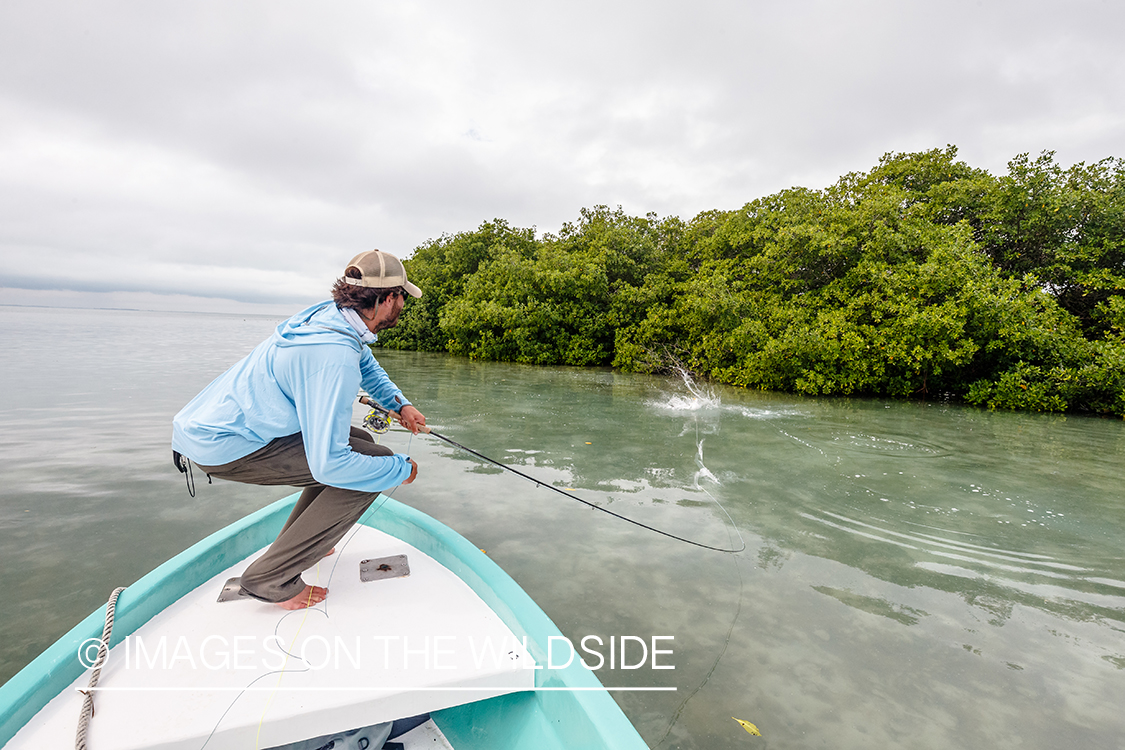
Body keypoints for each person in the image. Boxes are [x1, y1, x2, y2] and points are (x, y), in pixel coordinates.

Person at [172, 250, 426, 610]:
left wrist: (399, 404)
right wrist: (401, 469)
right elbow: (330, 466)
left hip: (213, 426)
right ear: (387, 300)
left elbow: (364, 361)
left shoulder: (329, 317)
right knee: (377, 466)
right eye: (402, 297)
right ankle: (270, 579)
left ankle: (311, 542)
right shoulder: (333, 357)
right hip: (227, 445)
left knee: (364, 444)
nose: (404, 304)